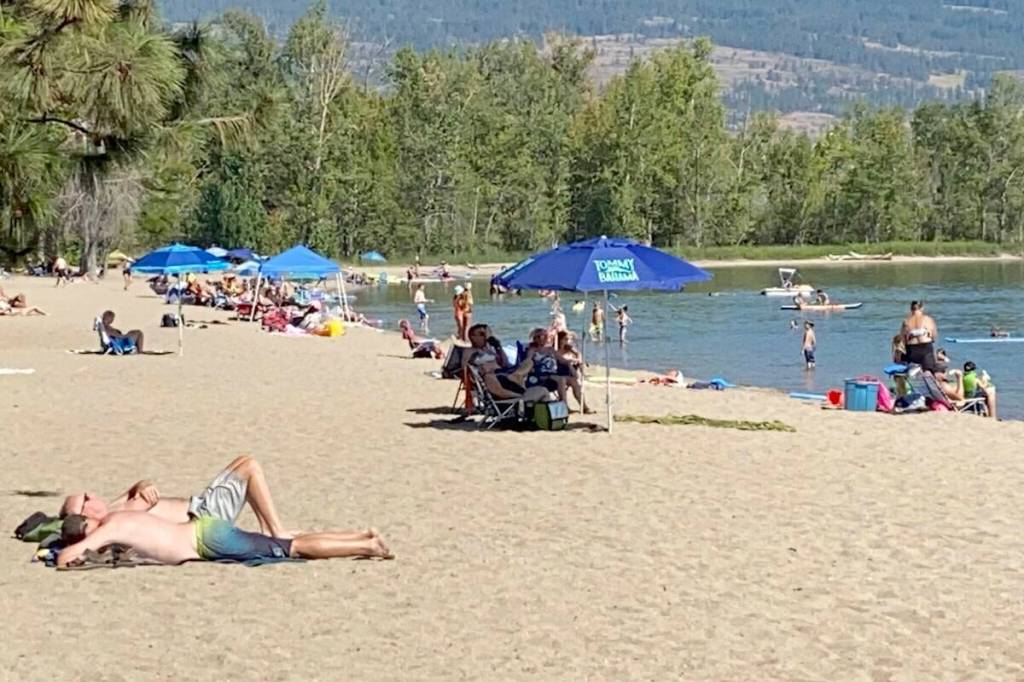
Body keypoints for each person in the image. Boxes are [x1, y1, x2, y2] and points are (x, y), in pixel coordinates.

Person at [59, 456, 291, 539]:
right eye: (85, 499)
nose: (91, 495)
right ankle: (276, 530)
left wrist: (144, 484)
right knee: (250, 467)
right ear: (84, 517)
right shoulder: (115, 520)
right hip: (203, 517)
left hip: (200, 503)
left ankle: (266, 528)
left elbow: (137, 486)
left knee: (243, 461)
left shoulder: (114, 506)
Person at [57, 512, 391, 568]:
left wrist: (62, 547)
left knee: (292, 547)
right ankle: (360, 535)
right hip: (203, 529)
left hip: (205, 541)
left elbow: (64, 559)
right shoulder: (121, 516)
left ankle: (366, 546)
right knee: (283, 540)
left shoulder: (108, 528)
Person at [901, 300, 939, 371]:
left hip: (912, 350)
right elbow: (934, 337)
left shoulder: (906, 321)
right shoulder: (928, 319)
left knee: (908, 371)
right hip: (926, 349)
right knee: (929, 372)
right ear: (922, 308)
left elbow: (903, 340)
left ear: (911, 309)